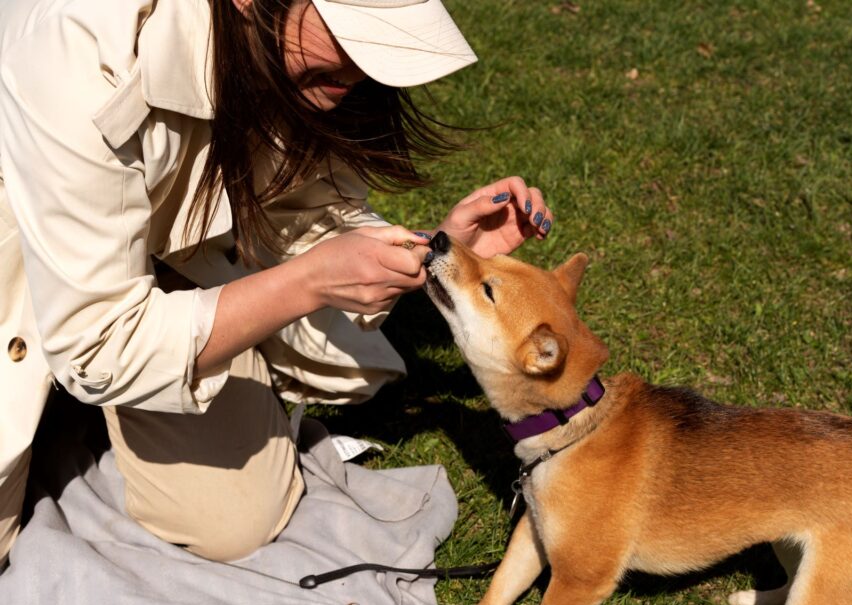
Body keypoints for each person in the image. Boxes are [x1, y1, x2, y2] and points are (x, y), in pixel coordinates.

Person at [0, 0, 554, 564]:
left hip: (165, 265)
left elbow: (301, 208)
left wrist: (434, 254)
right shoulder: (78, 46)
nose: (365, 70)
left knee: (234, 522)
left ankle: (112, 393)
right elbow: (99, 342)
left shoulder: (279, 52)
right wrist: (306, 284)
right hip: (19, 249)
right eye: (352, 34)